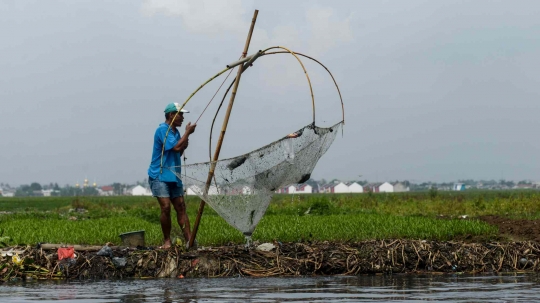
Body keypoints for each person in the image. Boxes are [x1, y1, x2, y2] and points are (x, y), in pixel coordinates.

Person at [148, 102, 196, 249]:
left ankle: (190, 241)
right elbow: (175, 147)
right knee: (166, 207)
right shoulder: (163, 130)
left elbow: (177, 153)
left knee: (181, 206)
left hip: (174, 175)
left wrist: (184, 143)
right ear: (171, 115)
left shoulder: (176, 133)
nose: (182, 118)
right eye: (180, 114)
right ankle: (167, 241)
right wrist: (188, 133)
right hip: (160, 175)